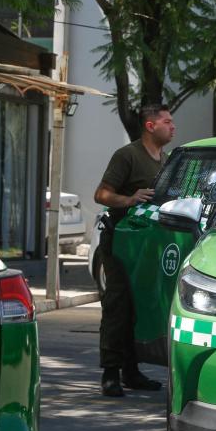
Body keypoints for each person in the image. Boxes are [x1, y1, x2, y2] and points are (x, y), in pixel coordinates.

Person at [94, 104, 176, 397]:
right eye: (167, 121)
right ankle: (110, 373)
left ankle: (131, 371)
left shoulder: (165, 160)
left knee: (139, 307)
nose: (173, 126)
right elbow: (101, 194)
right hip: (119, 243)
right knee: (118, 306)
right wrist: (130, 199)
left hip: (146, 246)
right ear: (150, 126)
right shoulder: (127, 155)